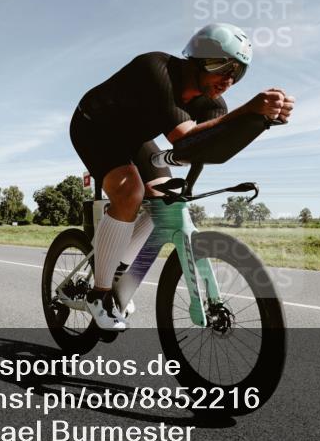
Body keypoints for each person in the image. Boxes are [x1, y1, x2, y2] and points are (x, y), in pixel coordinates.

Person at [70, 22, 295, 330]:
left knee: (165, 198)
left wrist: (261, 120)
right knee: (130, 192)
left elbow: (209, 145)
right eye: (224, 67)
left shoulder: (213, 103)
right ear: (200, 59)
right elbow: (185, 139)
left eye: (237, 73)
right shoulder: (156, 70)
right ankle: (99, 294)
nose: (229, 80)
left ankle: (116, 272)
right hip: (94, 127)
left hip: (134, 137)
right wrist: (248, 110)